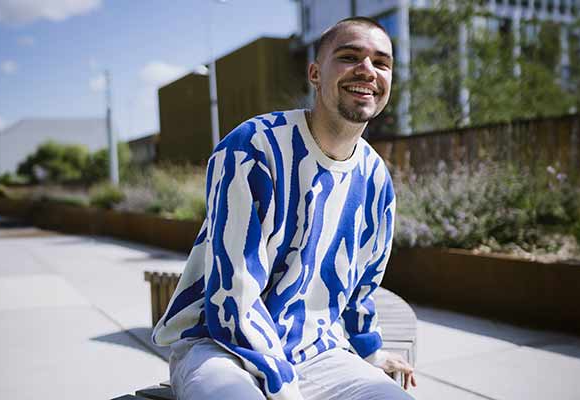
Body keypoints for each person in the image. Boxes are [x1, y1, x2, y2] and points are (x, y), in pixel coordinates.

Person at [150, 16, 414, 400]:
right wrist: (282, 384)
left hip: (316, 352)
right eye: (349, 56)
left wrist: (371, 350)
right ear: (315, 73)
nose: (367, 70)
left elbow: (361, 286)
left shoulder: (376, 178)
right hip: (220, 347)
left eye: (381, 62)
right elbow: (233, 295)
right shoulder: (254, 147)